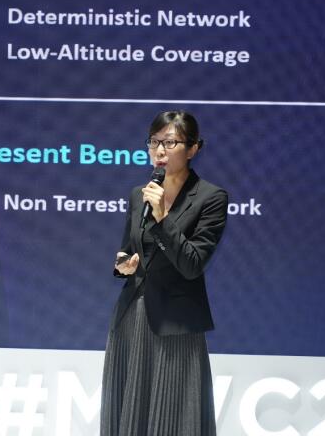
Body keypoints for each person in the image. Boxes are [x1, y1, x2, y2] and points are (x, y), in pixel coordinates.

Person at [100, 110, 229, 436]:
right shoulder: (139, 194)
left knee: (173, 418)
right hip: (131, 319)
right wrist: (122, 266)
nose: (159, 150)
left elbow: (193, 264)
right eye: (154, 142)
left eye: (170, 143)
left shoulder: (211, 198)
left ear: (193, 148)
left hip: (176, 326)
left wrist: (162, 219)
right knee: (127, 416)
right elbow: (127, 251)